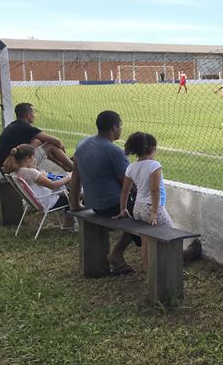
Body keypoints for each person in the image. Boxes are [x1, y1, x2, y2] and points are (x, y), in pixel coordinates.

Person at [69, 111, 200, 274]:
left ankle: (117, 254)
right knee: (145, 219)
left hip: (94, 205)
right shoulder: (115, 152)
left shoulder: (83, 144)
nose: (121, 128)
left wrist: (74, 204)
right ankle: (177, 257)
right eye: (121, 125)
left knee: (137, 214)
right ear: (114, 127)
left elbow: (75, 174)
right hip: (113, 205)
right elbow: (130, 185)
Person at [115, 132, 174, 282]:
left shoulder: (131, 167)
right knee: (171, 236)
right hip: (152, 208)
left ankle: (150, 276)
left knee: (146, 242)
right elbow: (154, 190)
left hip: (138, 208)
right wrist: (155, 213)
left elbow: (125, 190)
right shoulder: (154, 165)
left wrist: (123, 209)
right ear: (153, 149)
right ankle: (169, 271)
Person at [2, 144, 76, 231]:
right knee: (74, 197)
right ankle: (68, 222)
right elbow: (53, 185)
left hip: (35, 201)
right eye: (34, 157)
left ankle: (68, 221)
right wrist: (69, 177)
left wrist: (43, 175)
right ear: (27, 159)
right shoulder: (31, 172)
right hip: (47, 202)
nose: (35, 160)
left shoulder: (14, 171)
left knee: (65, 191)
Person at [0, 103, 74, 173]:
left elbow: (40, 141)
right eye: (33, 113)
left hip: (4, 168)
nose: (34, 115)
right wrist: (62, 147)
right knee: (51, 145)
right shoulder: (27, 128)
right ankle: (74, 167)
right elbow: (57, 142)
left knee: (37, 141)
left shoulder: (13, 126)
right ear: (28, 114)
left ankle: (63, 165)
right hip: (15, 169)